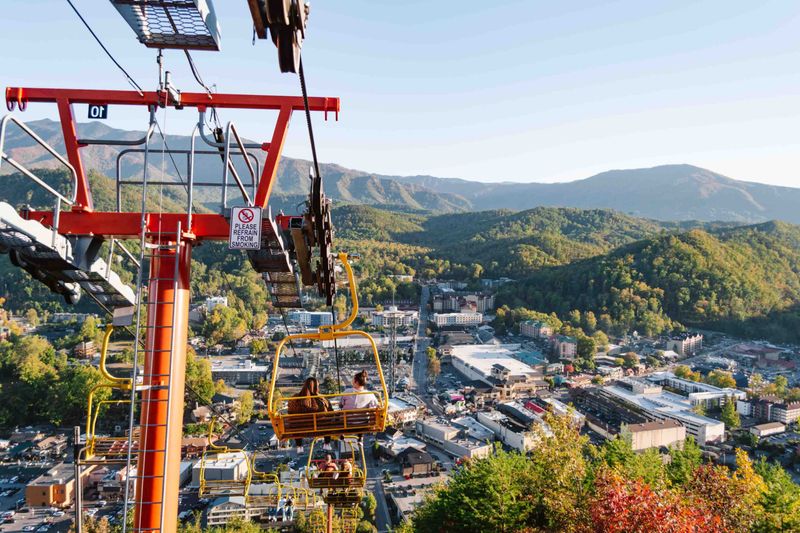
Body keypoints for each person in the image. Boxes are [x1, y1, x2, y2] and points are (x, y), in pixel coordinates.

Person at [287, 377, 331, 453]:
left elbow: (290, 411)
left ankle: (299, 445)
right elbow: (330, 411)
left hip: (300, 429)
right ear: (317, 387)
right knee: (328, 420)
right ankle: (327, 443)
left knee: (295, 422)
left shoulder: (295, 398)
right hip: (320, 428)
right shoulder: (321, 399)